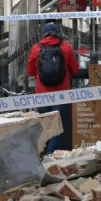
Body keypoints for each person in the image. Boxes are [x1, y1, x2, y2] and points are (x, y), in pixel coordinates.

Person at [26, 23, 79, 156]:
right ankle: (53, 154)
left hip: (42, 95)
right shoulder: (66, 47)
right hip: (62, 94)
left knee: (45, 125)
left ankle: (45, 153)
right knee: (59, 126)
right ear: (58, 33)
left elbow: (31, 72)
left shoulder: (36, 48)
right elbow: (76, 69)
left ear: (43, 34)